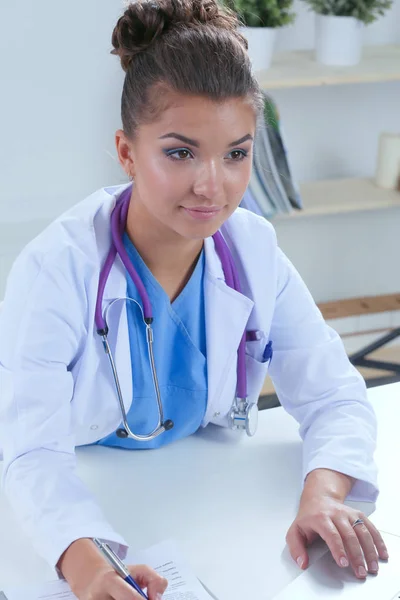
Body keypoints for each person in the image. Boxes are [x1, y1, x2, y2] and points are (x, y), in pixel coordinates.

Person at [0, 0, 389, 598]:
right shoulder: (57, 272)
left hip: (201, 491)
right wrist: (91, 569)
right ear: (127, 152)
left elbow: (334, 392)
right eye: (180, 152)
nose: (214, 184)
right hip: (82, 486)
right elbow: (31, 455)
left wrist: (325, 493)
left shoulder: (253, 252)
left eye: (236, 153)